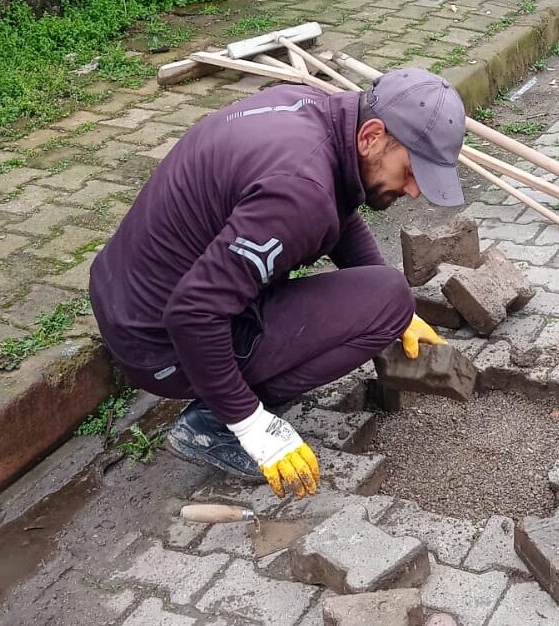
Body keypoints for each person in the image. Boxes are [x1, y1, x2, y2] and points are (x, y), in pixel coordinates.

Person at [88, 67, 467, 501]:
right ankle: (211, 424)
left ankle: (230, 393)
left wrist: (404, 316)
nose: (416, 191)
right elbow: (192, 314)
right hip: (159, 340)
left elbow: (340, 210)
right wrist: (251, 425)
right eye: (411, 171)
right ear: (371, 136)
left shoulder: (312, 113)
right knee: (387, 298)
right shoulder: (300, 192)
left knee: (389, 299)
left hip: (127, 294)